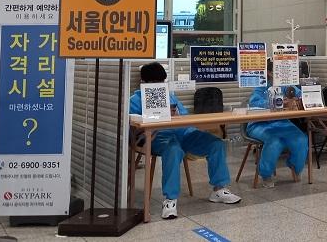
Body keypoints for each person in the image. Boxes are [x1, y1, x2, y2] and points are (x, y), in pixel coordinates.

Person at [129, 62, 241, 219]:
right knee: (173, 150)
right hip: (157, 137)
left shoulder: (169, 96)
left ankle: (219, 189)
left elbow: (185, 116)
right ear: (144, 82)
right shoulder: (134, 100)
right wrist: (157, 119)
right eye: (155, 82)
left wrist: (177, 116)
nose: (159, 85)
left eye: (162, 82)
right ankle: (170, 199)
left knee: (215, 143)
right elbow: (135, 129)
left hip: (183, 132)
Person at [247, 59, 308, 188]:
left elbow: (300, 94)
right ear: (269, 72)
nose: (281, 73)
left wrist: (299, 98)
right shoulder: (261, 85)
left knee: (301, 139)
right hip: (259, 124)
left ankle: (294, 165)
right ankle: (265, 173)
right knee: (275, 141)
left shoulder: (285, 85)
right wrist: (276, 102)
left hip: (281, 122)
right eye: (278, 70)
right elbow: (254, 103)